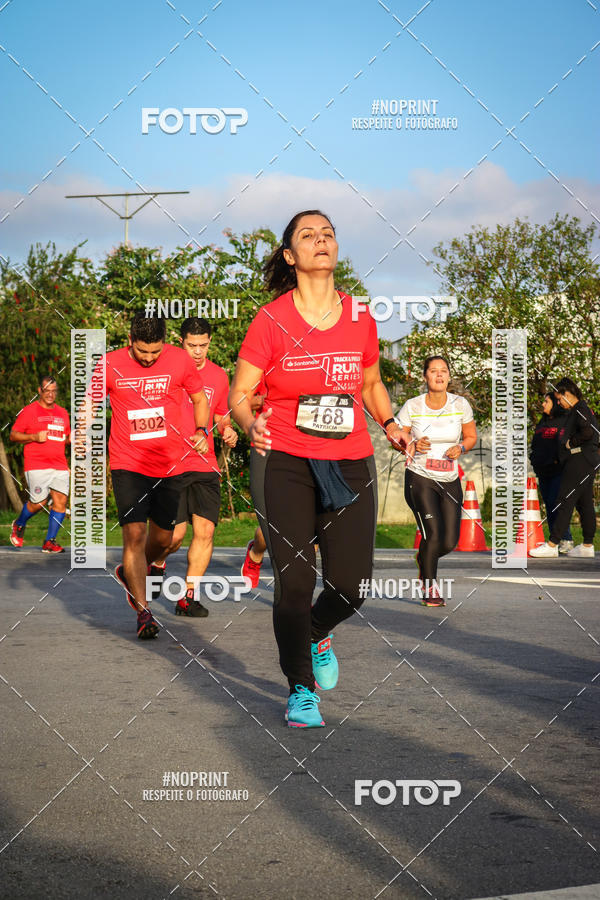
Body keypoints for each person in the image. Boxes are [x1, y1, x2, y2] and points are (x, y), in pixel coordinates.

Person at [229, 209, 404, 728]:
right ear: (290, 255)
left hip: (349, 460)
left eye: (328, 233)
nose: (321, 240)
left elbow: (370, 383)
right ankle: (300, 689)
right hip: (283, 460)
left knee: (351, 586)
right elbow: (239, 394)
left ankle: (314, 632)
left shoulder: (360, 316)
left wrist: (390, 422)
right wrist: (250, 422)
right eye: (308, 235)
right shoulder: (271, 320)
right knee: (296, 583)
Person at [81, 312, 209, 639]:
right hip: (127, 463)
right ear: (130, 340)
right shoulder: (110, 364)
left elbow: (199, 398)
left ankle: (130, 570)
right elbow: (91, 402)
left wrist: (201, 430)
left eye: (155, 351)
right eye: (142, 351)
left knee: (164, 540)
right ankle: (143, 612)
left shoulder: (180, 360)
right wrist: (81, 429)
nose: (149, 358)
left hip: (169, 463)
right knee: (135, 535)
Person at [149, 317, 238, 617]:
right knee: (172, 538)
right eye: (191, 345)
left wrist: (227, 429)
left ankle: (188, 597)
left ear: (209, 343)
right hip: (171, 465)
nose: (198, 352)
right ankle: (156, 563)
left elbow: (221, 414)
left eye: (203, 345)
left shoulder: (218, 376)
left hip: (204, 464)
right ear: (180, 342)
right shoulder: (165, 370)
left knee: (205, 532)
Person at [397, 356, 477, 606]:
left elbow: (471, 436)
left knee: (449, 541)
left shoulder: (460, 404)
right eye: (433, 371)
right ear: (425, 376)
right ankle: (430, 587)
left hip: (450, 478)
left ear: (449, 376)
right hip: (420, 477)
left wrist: (461, 448)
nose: (439, 375)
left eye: (443, 371)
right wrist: (412, 443)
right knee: (432, 534)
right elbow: (398, 439)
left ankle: (424, 559)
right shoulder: (412, 405)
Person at [530, 377, 598, 558]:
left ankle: (553, 544)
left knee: (563, 500)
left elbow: (588, 432)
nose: (559, 403)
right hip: (587, 461)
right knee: (584, 503)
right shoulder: (581, 409)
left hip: (580, 460)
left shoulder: (580, 409)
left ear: (568, 394)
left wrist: (570, 443)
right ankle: (587, 545)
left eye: (560, 399)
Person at [10, 375, 71, 553]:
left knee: (60, 501)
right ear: (40, 391)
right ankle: (19, 523)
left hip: (59, 465)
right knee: (39, 502)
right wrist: (34, 437)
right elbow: (13, 435)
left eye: (54, 391)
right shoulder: (29, 411)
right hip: (36, 464)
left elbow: (65, 438)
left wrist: (75, 439)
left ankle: (49, 541)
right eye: (47, 391)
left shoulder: (63, 413)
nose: (50, 394)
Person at [529, 393, 573, 553]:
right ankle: (554, 541)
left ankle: (566, 539)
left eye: (546, 401)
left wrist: (558, 460)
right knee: (549, 505)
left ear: (555, 403)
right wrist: (533, 459)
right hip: (543, 471)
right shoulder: (542, 423)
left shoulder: (565, 421)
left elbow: (567, 445)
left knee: (557, 504)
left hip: (559, 471)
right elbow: (535, 445)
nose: (542, 404)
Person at [241, 382, 268, 587]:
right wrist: (264, 400)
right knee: (272, 525)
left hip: (315, 447)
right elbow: (238, 401)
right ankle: (256, 551)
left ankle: (301, 596)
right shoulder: (261, 368)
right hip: (269, 445)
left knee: (312, 531)